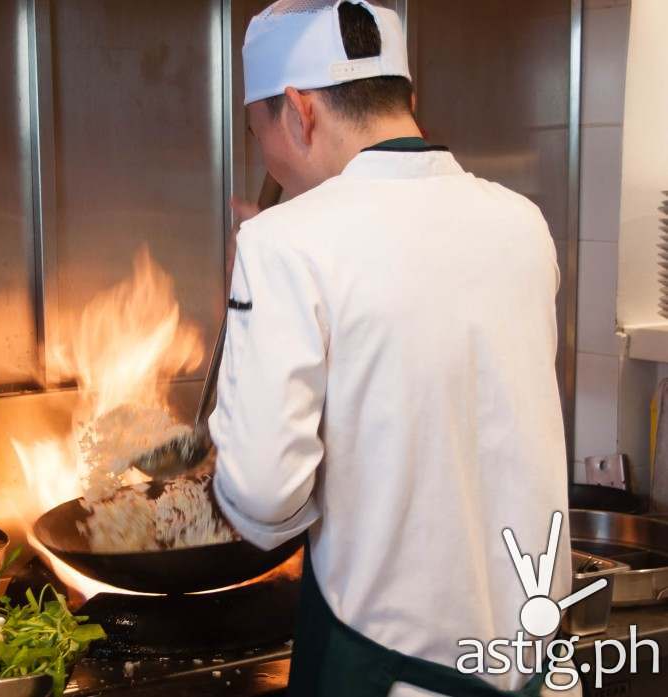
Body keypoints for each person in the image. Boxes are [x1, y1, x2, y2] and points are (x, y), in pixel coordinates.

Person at [208, 1, 576, 696]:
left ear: (299, 111)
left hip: (386, 674)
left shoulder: (283, 244)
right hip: (540, 672)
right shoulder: (523, 224)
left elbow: (262, 501)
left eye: (259, 133)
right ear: (407, 99)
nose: (270, 162)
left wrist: (254, 311)